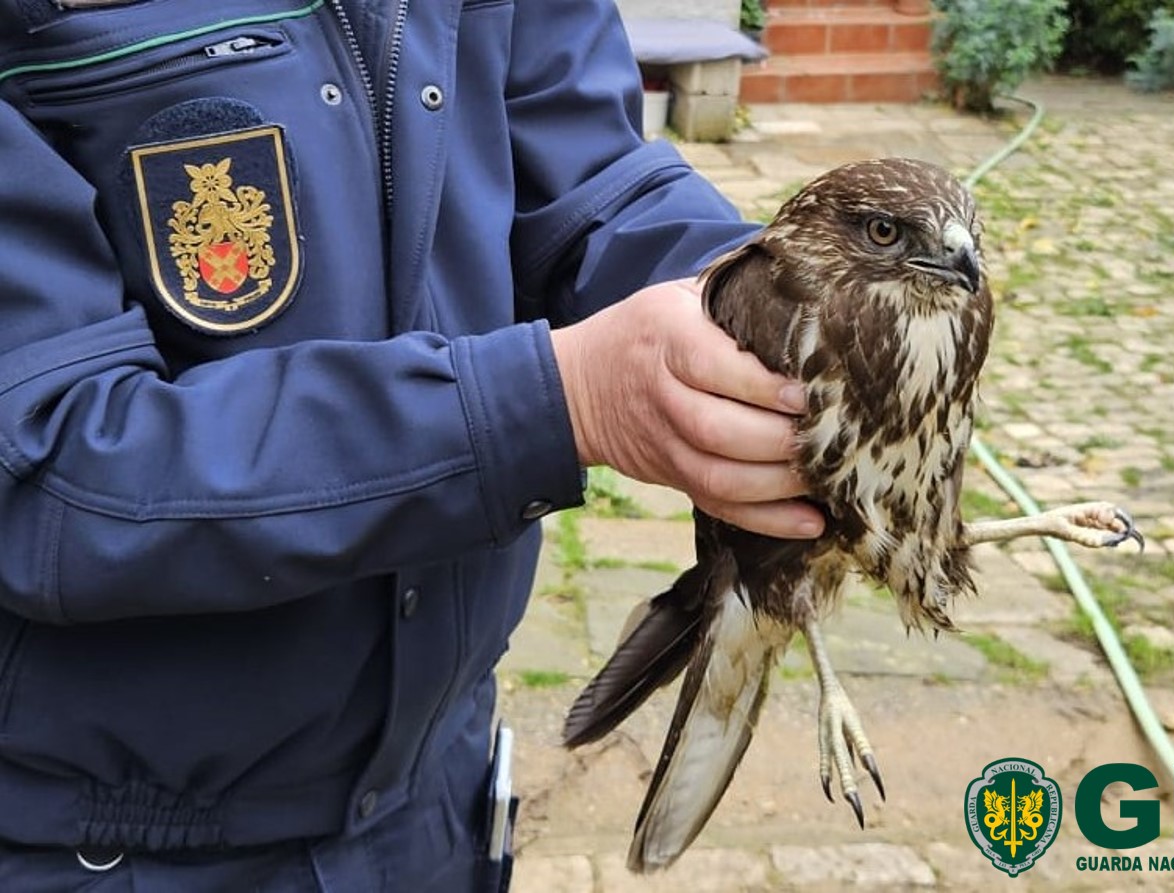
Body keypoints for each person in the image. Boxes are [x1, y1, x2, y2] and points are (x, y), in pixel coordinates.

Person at [0, 1, 823, 890]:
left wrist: (763, 307)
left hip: (436, 798)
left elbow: (593, 176)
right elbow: (44, 467)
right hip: (109, 847)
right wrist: (557, 403)